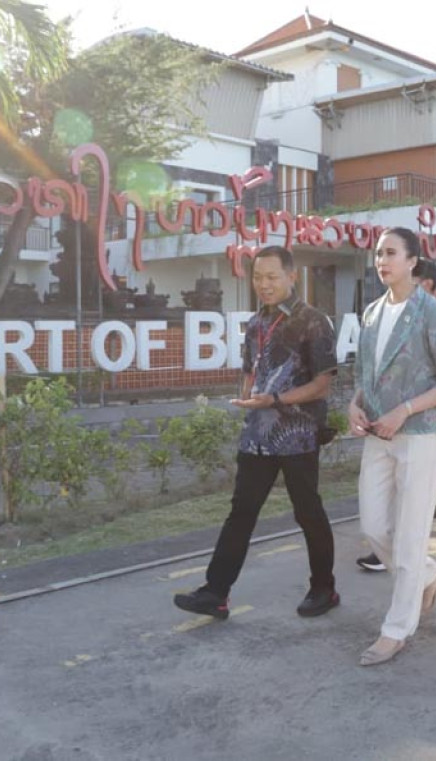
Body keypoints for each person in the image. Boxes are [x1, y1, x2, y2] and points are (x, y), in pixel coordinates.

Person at [173, 246, 339, 620]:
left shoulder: (313, 321)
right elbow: (251, 372)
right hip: (257, 437)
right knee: (241, 513)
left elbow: (321, 385)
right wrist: (249, 398)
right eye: (258, 277)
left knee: (307, 512)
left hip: (297, 435)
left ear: (291, 277)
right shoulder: (255, 323)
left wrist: (276, 399)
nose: (263, 285)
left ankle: (324, 588)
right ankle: (215, 593)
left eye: (272, 277)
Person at [348, 227, 436, 666]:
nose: (382, 261)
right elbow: (364, 374)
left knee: (411, 534)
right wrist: (353, 405)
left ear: (413, 261)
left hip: (421, 433)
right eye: (378, 253)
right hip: (379, 434)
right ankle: (432, 575)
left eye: (392, 253)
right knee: (375, 526)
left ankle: (396, 629)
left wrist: (406, 409)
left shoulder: (431, 312)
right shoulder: (372, 313)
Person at [356, 262, 436, 568]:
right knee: (387, 495)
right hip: (387, 425)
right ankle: (393, 550)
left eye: (420, 282)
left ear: (434, 286)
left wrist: (411, 407)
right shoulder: (378, 313)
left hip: (431, 416)